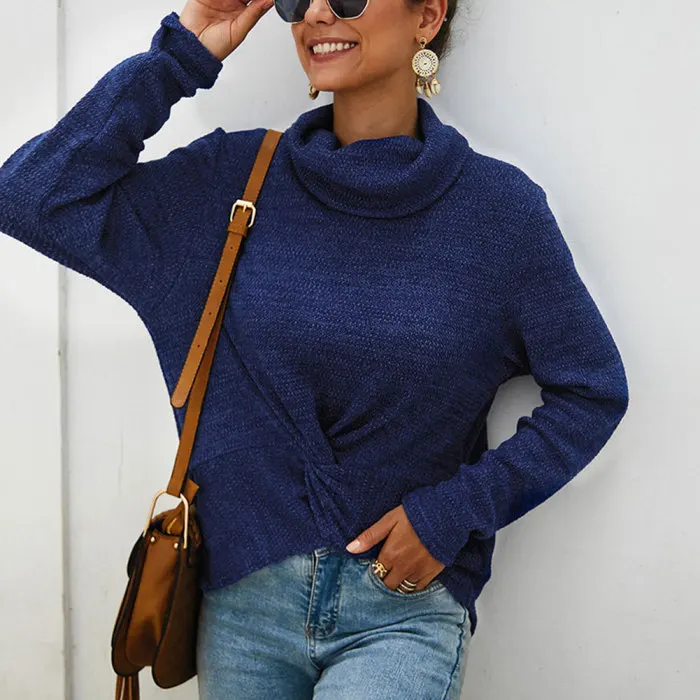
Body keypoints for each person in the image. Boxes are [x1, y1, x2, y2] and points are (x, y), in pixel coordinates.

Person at [0, 0, 629, 697]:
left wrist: (454, 513)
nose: (319, 12)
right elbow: (33, 195)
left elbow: (591, 391)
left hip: (401, 613)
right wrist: (185, 51)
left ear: (427, 16)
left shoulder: (498, 214)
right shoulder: (231, 184)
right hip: (240, 612)